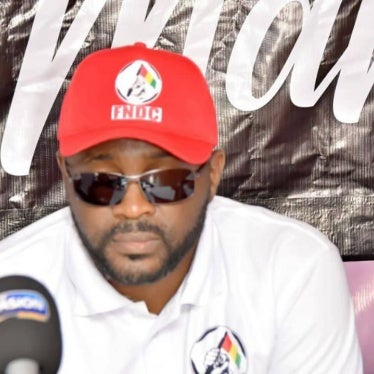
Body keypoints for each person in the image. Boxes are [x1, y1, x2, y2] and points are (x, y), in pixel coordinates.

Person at [0, 43, 362, 373]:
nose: (134, 207)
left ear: (213, 174)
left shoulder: (292, 269)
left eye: (167, 181)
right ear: (65, 174)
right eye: (101, 182)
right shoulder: (10, 285)